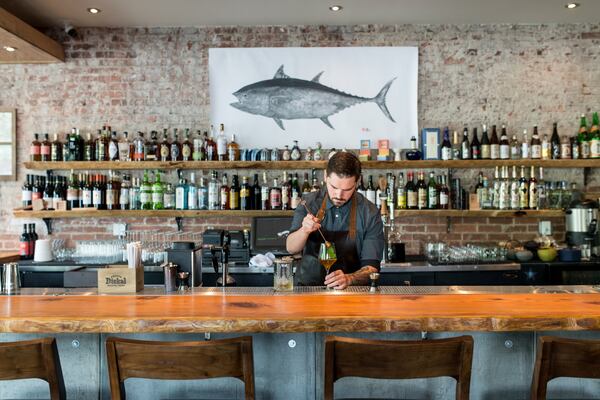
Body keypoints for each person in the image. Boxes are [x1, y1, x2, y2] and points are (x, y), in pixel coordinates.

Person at [286, 151, 384, 289]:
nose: (339, 195)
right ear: (326, 176)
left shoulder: (370, 213)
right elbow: (291, 248)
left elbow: (372, 268)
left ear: (357, 182)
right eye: (334, 187)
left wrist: (350, 278)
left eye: (347, 189)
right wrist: (304, 230)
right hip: (307, 291)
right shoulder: (308, 203)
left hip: (352, 294)